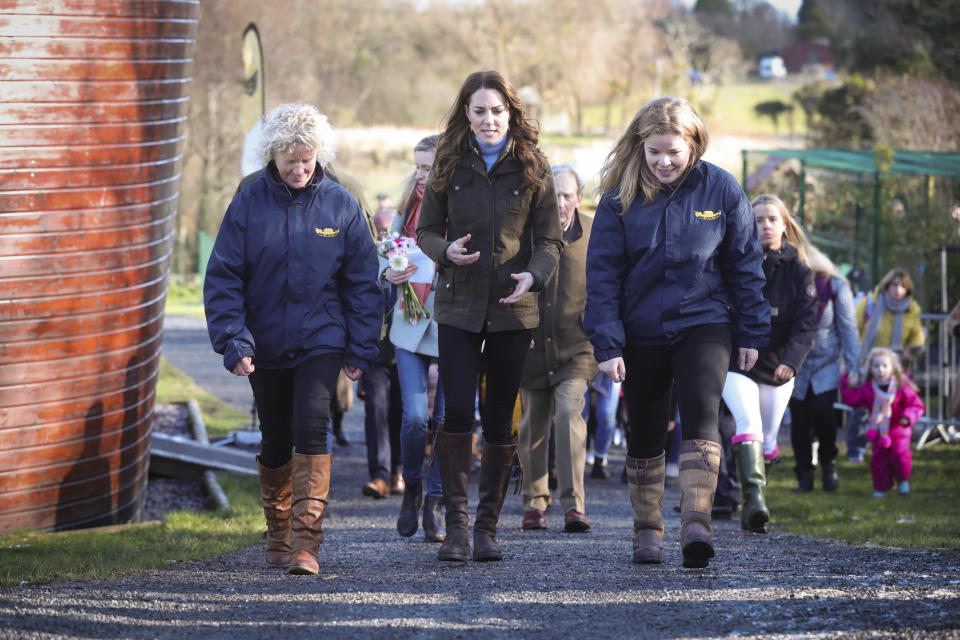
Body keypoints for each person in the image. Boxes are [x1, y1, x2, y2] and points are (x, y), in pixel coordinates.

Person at [585, 97, 769, 568]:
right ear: (640, 147)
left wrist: (751, 331)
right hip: (640, 328)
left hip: (704, 322)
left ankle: (696, 524)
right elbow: (602, 275)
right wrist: (606, 344)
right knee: (645, 430)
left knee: (703, 412)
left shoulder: (722, 191)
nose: (664, 162)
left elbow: (745, 264)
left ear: (693, 145)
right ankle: (647, 529)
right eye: (654, 153)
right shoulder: (618, 199)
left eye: (673, 152)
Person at [204, 102, 381, 575]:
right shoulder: (249, 201)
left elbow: (363, 281)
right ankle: (278, 533)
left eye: (307, 159)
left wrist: (362, 346)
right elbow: (224, 275)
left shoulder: (340, 204)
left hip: (321, 337)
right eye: (290, 160)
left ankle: (307, 543)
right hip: (264, 342)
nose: (300, 169)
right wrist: (234, 341)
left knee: (311, 425)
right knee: (276, 436)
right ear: (273, 155)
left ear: (319, 154)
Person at [417, 70, 563, 562]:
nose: (488, 120)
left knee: (500, 420)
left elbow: (548, 242)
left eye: (497, 111)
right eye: (479, 111)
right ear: (466, 114)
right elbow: (426, 232)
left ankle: (486, 530)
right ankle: (456, 529)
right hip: (458, 307)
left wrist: (534, 276)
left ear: (511, 114)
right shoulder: (448, 163)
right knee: (457, 412)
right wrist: (445, 251)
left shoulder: (533, 167)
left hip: (512, 308)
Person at [720, 194, 818, 534]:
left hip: (778, 368)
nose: (765, 225)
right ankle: (754, 504)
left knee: (770, 440)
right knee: (748, 423)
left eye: (771, 219)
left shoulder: (800, 271)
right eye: (757, 219)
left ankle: (754, 492)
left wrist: (791, 362)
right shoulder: (733, 262)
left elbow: (806, 326)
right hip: (738, 363)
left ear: (784, 225)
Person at [518, 163, 597, 533]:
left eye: (568, 195)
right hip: (530, 345)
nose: (561, 202)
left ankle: (573, 505)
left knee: (568, 414)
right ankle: (534, 503)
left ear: (579, 198)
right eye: (555, 195)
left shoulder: (596, 235)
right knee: (532, 426)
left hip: (577, 348)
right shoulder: (524, 232)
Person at [382, 134, 447, 542]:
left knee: (447, 420)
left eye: (428, 167)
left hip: (452, 325)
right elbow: (384, 254)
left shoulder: (464, 207)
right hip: (409, 323)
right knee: (415, 417)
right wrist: (388, 273)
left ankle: (435, 502)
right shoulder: (407, 208)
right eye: (417, 167)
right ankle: (412, 486)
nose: (420, 175)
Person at [789, 246, 860, 493]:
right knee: (799, 420)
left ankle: (828, 463)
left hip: (826, 362)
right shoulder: (791, 284)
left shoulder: (836, 287)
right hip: (795, 362)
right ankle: (804, 475)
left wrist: (854, 366)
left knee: (822, 413)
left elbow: (849, 329)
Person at [848, 268, 925, 462]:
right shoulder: (870, 303)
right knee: (863, 409)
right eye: (894, 285)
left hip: (895, 368)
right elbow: (851, 327)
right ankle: (856, 450)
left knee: (893, 409)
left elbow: (917, 333)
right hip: (868, 366)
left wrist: (916, 345)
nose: (898, 289)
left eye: (902, 286)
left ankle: (889, 448)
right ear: (886, 285)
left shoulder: (911, 309)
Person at [360, 212, 405, 499]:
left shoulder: (407, 257)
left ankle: (398, 470)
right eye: (380, 231)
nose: (384, 236)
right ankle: (379, 475)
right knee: (376, 408)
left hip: (403, 348)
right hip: (375, 351)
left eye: (389, 231)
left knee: (401, 411)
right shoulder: (366, 260)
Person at [841, 348, 924, 497]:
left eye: (884, 366)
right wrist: (847, 383)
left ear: (893, 367)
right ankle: (881, 487)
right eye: (876, 366)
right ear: (870, 369)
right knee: (879, 460)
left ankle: (902, 480)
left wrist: (908, 417)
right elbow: (852, 399)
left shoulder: (901, 386)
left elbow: (915, 405)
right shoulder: (868, 388)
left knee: (899, 456)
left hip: (899, 429)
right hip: (879, 431)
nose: (880, 369)